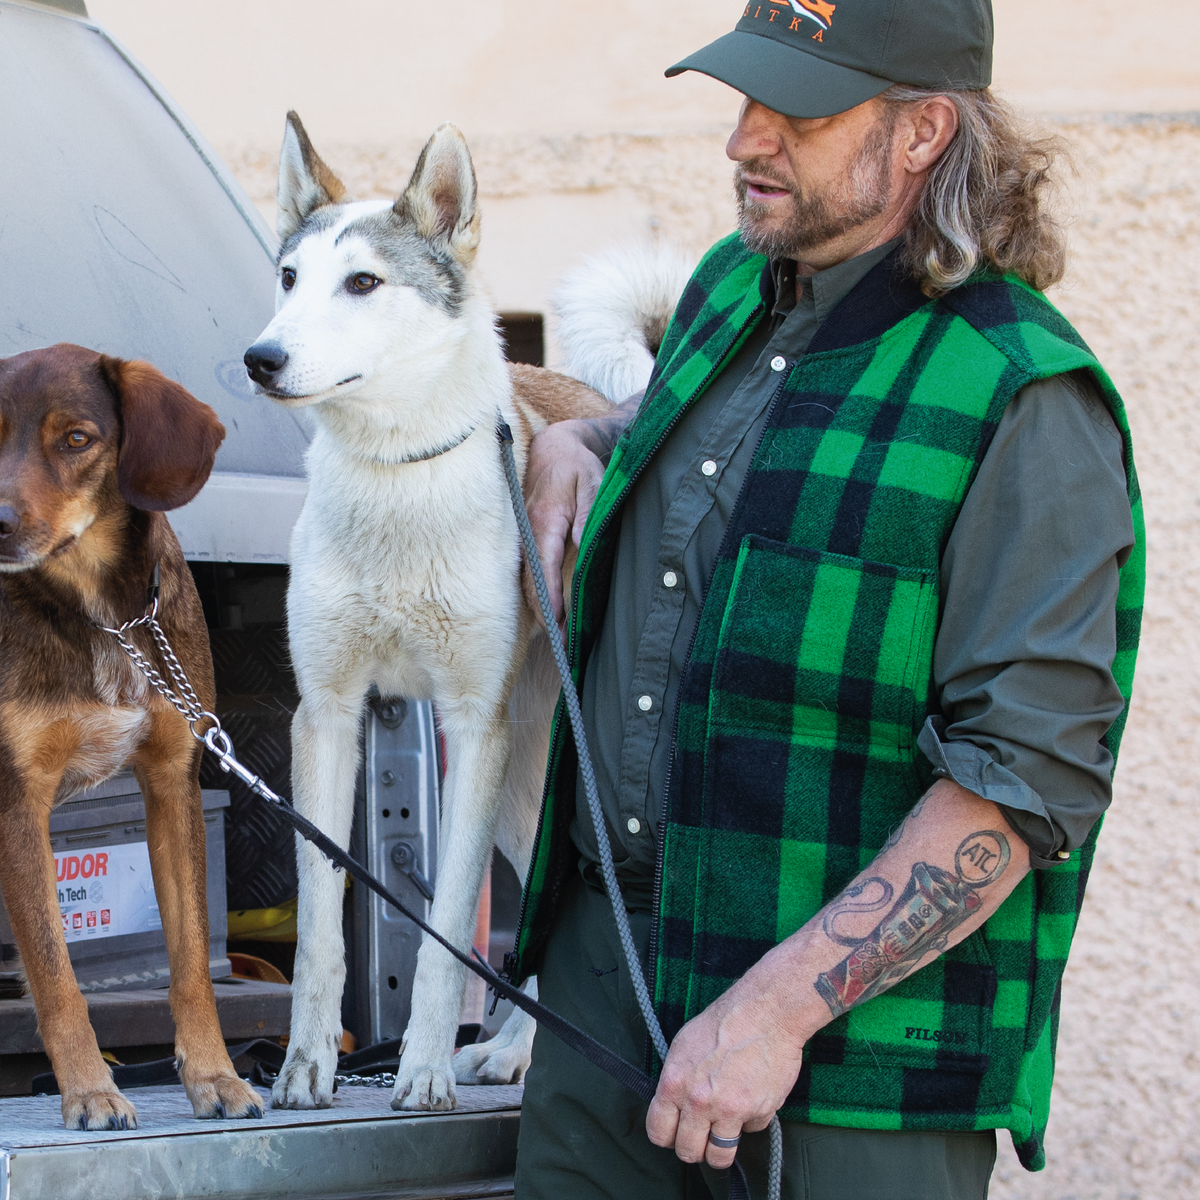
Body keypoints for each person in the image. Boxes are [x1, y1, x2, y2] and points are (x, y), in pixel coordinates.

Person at [508, 2, 1144, 1197]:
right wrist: (580, 439)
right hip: (606, 991)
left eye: (794, 111)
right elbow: (731, 458)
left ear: (923, 132)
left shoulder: (1023, 397)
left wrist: (769, 1017)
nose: (746, 140)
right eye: (742, 99)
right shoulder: (730, 290)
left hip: (845, 1064)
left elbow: (1024, 779)